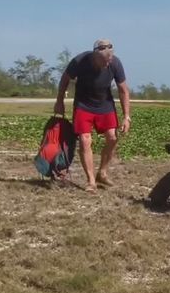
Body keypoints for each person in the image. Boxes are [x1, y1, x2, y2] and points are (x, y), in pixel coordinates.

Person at [54, 38, 131, 192]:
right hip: (84, 104)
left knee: (112, 138)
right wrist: (60, 101)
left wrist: (126, 116)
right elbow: (65, 79)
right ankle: (90, 180)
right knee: (84, 140)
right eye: (105, 61)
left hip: (105, 104)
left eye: (110, 59)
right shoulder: (80, 61)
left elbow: (123, 90)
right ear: (96, 56)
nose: (108, 63)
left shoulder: (115, 63)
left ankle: (102, 172)